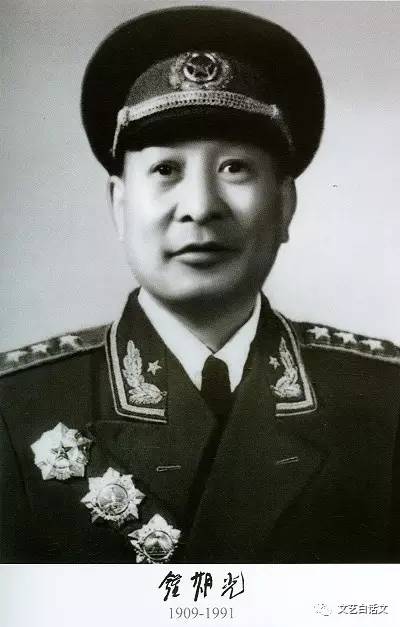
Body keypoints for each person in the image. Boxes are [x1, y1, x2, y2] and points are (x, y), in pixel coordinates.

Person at [1, 5, 400, 564]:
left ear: (285, 204)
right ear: (119, 204)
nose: (200, 207)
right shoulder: (16, 408)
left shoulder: (383, 400)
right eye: (166, 170)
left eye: (234, 168)